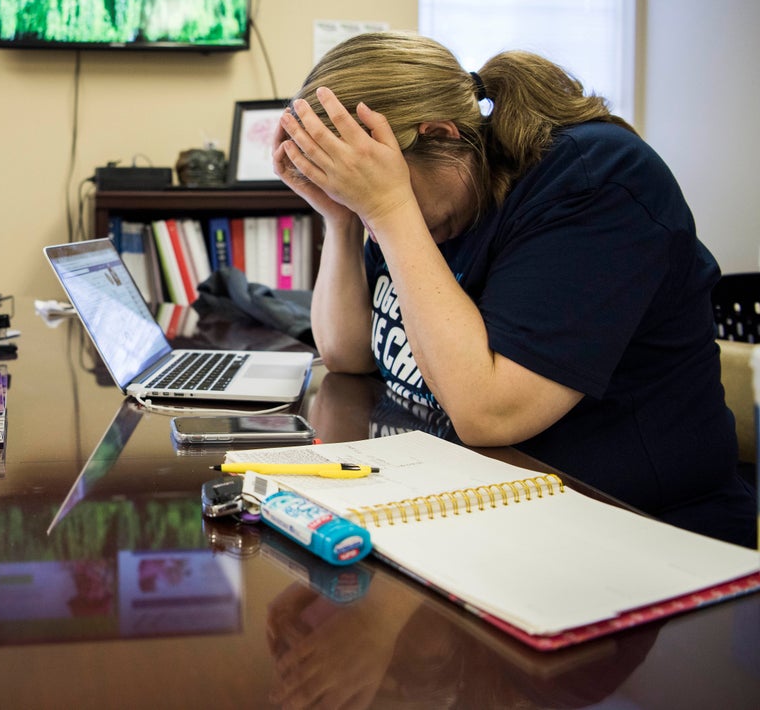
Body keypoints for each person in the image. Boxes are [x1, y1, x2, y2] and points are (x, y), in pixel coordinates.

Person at [272, 31, 755, 548]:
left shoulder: (596, 181)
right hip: (480, 513)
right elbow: (347, 354)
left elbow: (490, 414)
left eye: (370, 188)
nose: (374, 210)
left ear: (442, 135)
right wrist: (342, 219)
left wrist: (388, 209)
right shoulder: (427, 207)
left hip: (641, 534)